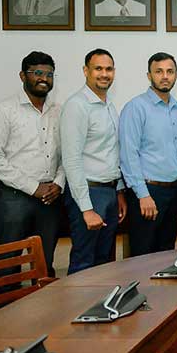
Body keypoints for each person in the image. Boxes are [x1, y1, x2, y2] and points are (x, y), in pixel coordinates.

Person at [0, 51, 64, 275]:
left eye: (49, 74)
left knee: (44, 266)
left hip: (50, 199)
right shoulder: (4, 110)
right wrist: (33, 187)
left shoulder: (59, 111)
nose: (43, 78)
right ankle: (3, 299)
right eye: (37, 73)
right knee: (6, 266)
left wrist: (59, 183)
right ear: (22, 76)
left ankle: (44, 300)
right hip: (14, 199)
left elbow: (68, 153)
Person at [60, 49, 126, 274]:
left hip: (108, 192)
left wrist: (118, 191)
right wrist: (86, 209)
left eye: (108, 69)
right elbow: (71, 160)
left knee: (103, 262)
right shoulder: (77, 105)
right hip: (88, 192)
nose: (104, 74)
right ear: (85, 71)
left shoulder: (109, 106)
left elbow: (112, 152)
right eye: (98, 68)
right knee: (83, 262)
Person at [119, 53, 177, 257]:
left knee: (167, 254)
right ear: (149, 76)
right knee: (142, 256)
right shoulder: (136, 107)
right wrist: (143, 195)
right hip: (148, 192)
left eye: (170, 71)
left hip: (174, 191)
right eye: (159, 71)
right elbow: (128, 155)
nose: (165, 76)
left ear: (176, 76)